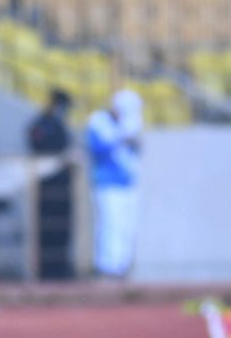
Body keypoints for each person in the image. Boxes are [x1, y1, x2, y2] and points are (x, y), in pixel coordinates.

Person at [85, 87, 146, 279]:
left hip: (128, 182)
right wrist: (120, 138)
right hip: (107, 183)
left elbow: (136, 152)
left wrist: (132, 141)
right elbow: (97, 149)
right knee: (110, 224)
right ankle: (107, 266)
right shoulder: (98, 121)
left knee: (127, 225)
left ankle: (122, 265)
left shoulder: (130, 123)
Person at [26, 89, 77, 280]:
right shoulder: (42, 124)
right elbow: (37, 143)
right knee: (47, 228)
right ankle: (46, 270)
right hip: (47, 186)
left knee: (63, 228)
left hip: (63, 186)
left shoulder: (60, 125)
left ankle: (61, 268)